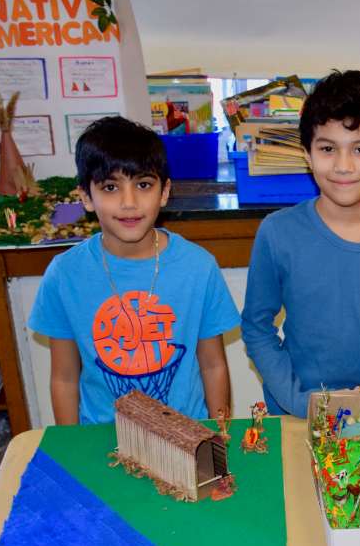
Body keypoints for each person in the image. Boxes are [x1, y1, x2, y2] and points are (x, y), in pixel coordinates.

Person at [241, 70, 360, 418]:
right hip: (296, 410)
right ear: (307, 154)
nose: (343, 166)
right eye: (328, 149)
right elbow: (256, 327)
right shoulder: (278, 232)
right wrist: (300, 402)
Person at [28, 116, 239, 424]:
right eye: (111, 187)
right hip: (102, 441)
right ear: (86, 196)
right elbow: (64, 378)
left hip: (187, 434)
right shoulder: (64, 275)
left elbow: (212, 365)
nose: (129, 202)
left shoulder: (198, 267)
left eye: (143, 185)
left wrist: (220, 435)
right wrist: (70, 448)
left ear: (164, 192)